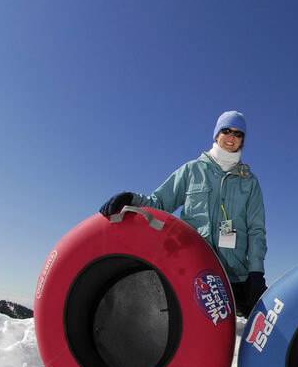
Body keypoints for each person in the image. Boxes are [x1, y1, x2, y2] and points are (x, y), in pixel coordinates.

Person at [100, 110, 267, 318]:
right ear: (216, 135)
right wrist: (131, 198)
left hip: (235, 276)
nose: (232, 137)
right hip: (194, 269)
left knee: (255, 326)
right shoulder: (191, 171)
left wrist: (256, 272)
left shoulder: (250, 182)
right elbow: (159, 203)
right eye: (227, 130)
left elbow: (256, 229)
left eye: (238, 133)